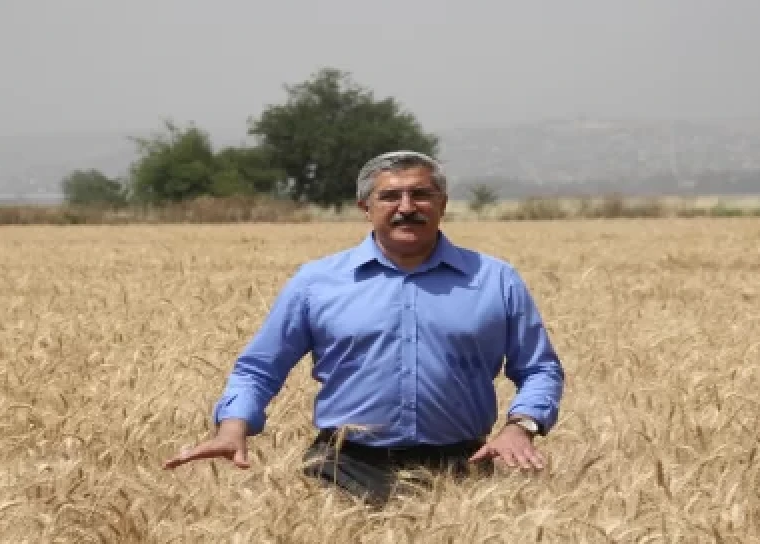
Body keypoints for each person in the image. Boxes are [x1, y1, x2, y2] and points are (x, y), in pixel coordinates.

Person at [163, 150, 565, 505]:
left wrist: (521, 428)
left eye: (421, 194)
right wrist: (233, 428)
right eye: (389, 196)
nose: (406, 206)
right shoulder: (316, 282)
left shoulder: (496, 280)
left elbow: (539, 369)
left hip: (460, 469)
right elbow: (259, 369)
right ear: (364, 206)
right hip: (342, 470)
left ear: (442, 204)